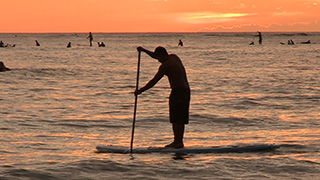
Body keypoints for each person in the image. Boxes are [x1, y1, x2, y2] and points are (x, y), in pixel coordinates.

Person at [135, 46, 190, 149]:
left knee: (176, 117)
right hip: (186, 90)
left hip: (178, 91)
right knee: (180, 117)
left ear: (162, 55)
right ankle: (179, 141)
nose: (158, 61)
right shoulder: (174, 57)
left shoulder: (165, 66)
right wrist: (143, 50)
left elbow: (154, 81)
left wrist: (140, 91)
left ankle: (177, 142)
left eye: (159, 58)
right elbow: (155, 56)